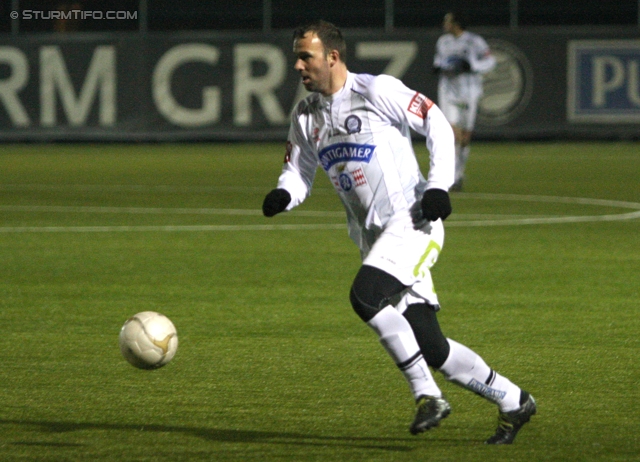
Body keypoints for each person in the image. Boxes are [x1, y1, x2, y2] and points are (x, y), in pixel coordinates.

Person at [262, 20, 535, 444]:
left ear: (332, 57)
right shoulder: (305, 115)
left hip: (413, 222)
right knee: (433, 347)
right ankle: (514, 400)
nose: (297, 65)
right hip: (373, 241)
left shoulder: (376, 90)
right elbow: (297, 173)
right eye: (297, 56)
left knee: (364, 297)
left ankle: (427, 395)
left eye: (305, 56)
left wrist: (439, 184)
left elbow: (438, 123)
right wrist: (284, 195)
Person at [433, 11, 496, 191]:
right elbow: (439, 60)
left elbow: (490, 61)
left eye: (448, 20)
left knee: (464, 138)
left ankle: (459, 174)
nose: (445, 23)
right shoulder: (443, 41)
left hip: (469, 92)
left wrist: (473, 66)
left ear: (456, 23)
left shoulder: (474, 41)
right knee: (452, 133)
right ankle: (451, 176)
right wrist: (438, 67)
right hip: (448, 92)